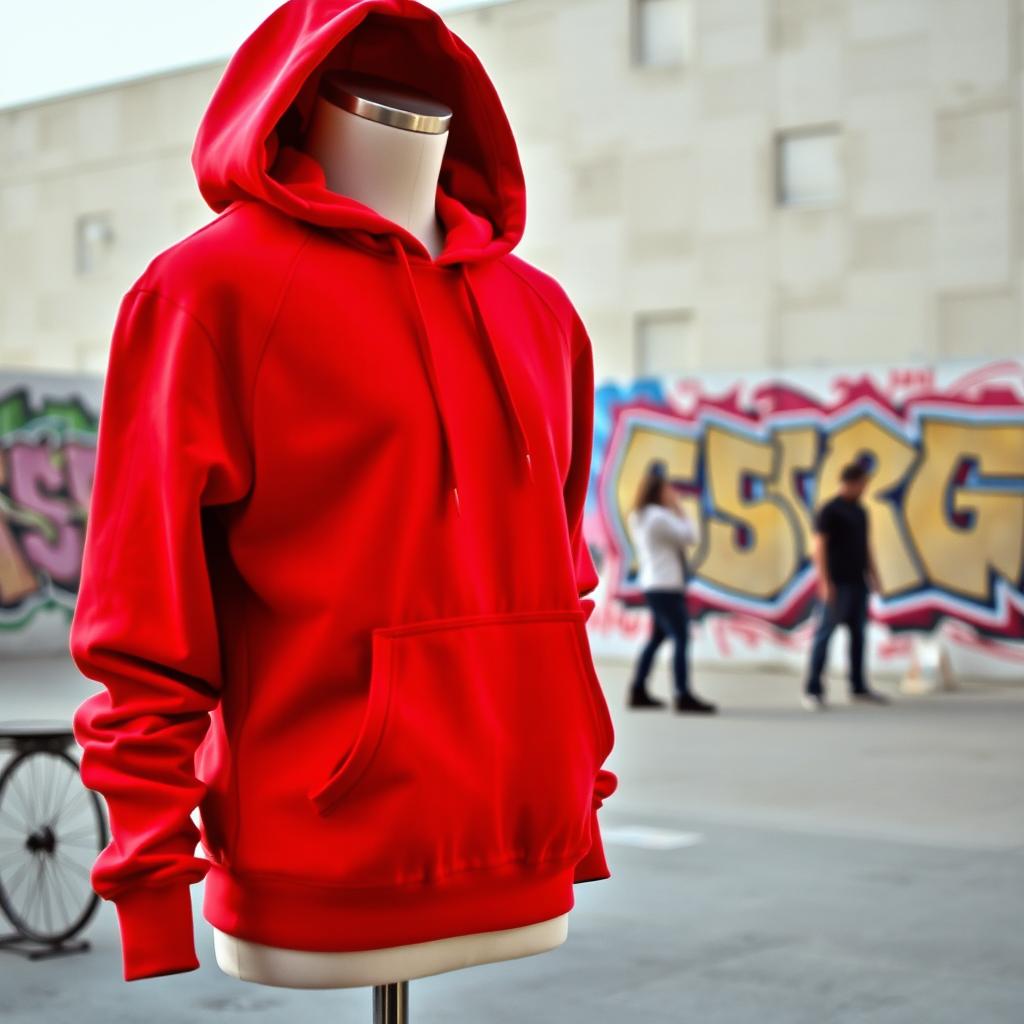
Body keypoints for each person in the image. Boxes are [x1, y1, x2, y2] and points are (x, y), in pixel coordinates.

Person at [625, 460, 717, 714]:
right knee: (681, 637)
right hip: (666, 585)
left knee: (657, 638)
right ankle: (682, 693)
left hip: (654, 583)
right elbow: (690, 536)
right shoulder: (659, 517)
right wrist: (680, 509)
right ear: (659, 490)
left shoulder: (639, 516)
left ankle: (638, 689)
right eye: (668, 490)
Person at [802, 461, 891, 711]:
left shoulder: (861, 511)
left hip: (857, 582)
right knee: (824, 635)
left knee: (858, 636)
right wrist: (825, 582)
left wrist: (874, 576)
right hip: (837, 584)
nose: (865, 488)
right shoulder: (830, 510)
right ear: (851, 483)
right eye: (863, 483)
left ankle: (858, 686)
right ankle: (813, 690)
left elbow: (866, 546)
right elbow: (818, 547)